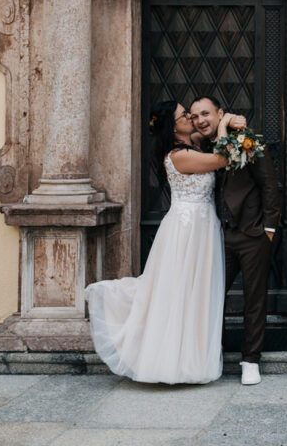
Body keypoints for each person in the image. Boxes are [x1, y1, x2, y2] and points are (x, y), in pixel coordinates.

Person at [84, 99, 236, 384]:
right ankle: (169, 359)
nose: (192, 118)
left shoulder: (192, 146)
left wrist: (229, 120)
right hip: (186, 230)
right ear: (174, 126)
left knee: (195, 292)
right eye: (185, 116)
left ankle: (192, 359)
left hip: (202, 226)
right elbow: (222, 159)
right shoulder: (178, 156)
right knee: (178, 290)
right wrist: (225, 123)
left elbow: (210, 131)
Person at [190, 96, 282, 386]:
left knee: (254, 299)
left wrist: (269, 229)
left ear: (219, 112)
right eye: (194, 116)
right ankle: (209, 354)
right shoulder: (202, 144)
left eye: (205, 113)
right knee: (211, 296)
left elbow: (269, 184)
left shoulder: (247, 141)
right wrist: (227, 121)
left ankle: (250, 360)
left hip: (252, 234)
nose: (200, 120)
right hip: (219, 235)